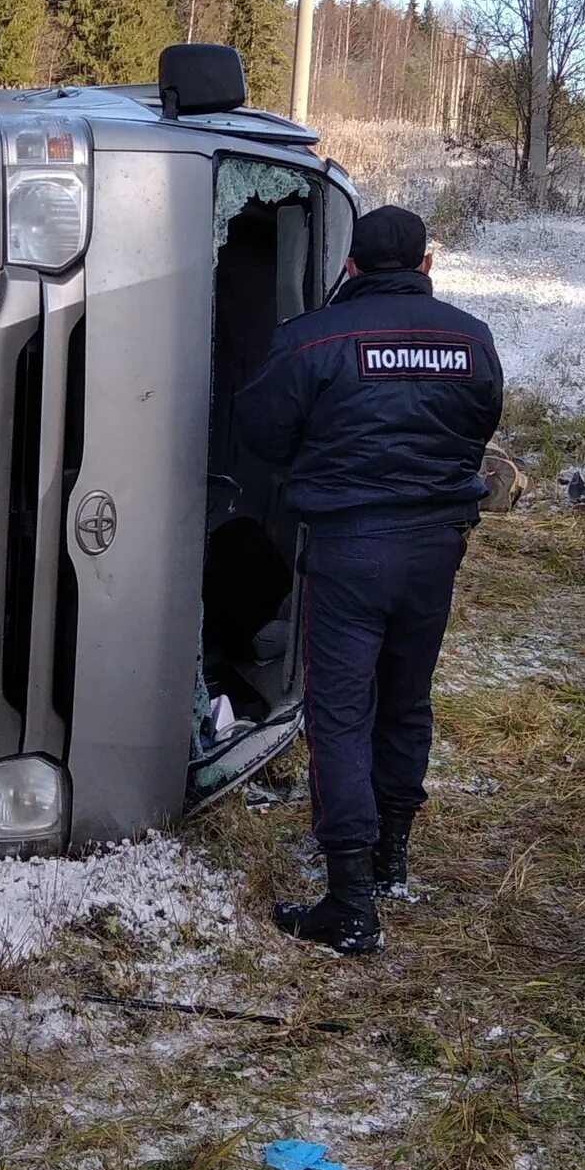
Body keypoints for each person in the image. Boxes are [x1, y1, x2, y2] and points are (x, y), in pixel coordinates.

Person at [234, 206, 505, 956]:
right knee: (406, 703)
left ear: (349, 268)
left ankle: (350, 904)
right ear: (425, 266)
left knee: (341, 715)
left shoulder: (315, 339)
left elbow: (258, 430)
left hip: (351, 548)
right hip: (435, 549)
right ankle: (391, 860)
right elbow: (479, 426)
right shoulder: (470, 339)